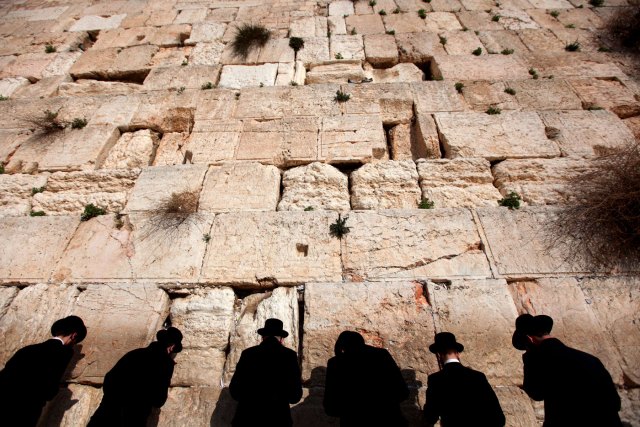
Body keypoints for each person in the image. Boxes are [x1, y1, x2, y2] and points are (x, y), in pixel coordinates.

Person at [513, 313, 622, 427]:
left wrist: (529, 360)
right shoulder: (590, 360)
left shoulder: (542, 362)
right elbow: (614, 402)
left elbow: (535, 393)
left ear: (530, 339)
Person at [0, 315, 87, 427]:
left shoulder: (26, 350)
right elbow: (49, 389)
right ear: (73, 335)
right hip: (24, 412)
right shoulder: (64, 353)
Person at [87, 327, 183, 427]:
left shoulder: (134, 353)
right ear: (172, 346)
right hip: (134, 417)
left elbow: (109, 378)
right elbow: (159, 399)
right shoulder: (166, 363)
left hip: (107, 412)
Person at [323, 331, 409, 426]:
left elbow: (330, 404)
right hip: (387, 417)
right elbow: (402, 390)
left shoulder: (336, 363)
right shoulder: (381, 355)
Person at [229, 318, 302, 427]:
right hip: (278, 419)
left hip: (246, 419)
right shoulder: (290, 356)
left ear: (263, 337)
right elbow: (295, 396)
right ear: (281, 339)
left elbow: (234, 390)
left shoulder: (248, 354)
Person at [423, 332, 505, 427]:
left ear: (439, 355)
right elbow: (498, 417)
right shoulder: (478, 377)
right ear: (457, 353)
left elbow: (430, 417)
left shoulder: (435, 380)